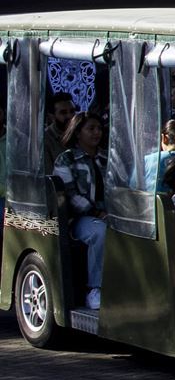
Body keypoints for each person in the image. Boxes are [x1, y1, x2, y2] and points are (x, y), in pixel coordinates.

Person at [53, 111, 109, 311]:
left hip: (111, 214)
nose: (97, 133)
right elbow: (70, 196)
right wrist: (97, 213)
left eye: (99, 128)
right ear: (78, 133)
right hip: (79, 220)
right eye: (90, 128)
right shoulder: (66, 160)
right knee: (100, 232)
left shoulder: (107, 158)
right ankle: (95, 289)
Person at [42, 92, 75, 173]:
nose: (70, 116)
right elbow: (50, 177)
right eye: (63, 112)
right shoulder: (45, 140)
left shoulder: (81, 133)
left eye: (72, 111)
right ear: (52, 116)